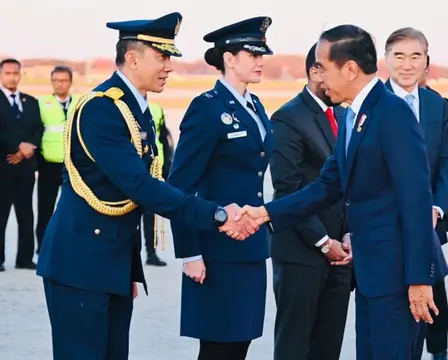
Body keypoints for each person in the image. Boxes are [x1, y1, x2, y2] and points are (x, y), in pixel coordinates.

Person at [35, 12, 257, 360]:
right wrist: (216, 214)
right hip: (81, 264)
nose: (169, 66)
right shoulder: (101, 109)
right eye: (162, 57)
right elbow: (140, 185)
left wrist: (128, 269)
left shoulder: (136, 109)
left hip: (112, 264)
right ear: (133, 58)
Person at [238, 24, 448, 360]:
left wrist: (420, 280)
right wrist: (265, 213)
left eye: (323, 67)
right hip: (370, 273)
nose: (318, 76)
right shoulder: (354, 115)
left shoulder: (392, 113)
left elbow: (417, 200)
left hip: (397, 276)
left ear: (350, 69)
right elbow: (326, 185)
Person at [167, 16, 274, 360]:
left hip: (251, 248)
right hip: (216, 248)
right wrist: (190, 253)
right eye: (252, 54)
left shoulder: (255, 106)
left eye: (262, 55)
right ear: (229, 58)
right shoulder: (207, 108)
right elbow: (180, 186)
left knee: (240, 343)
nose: (260, 61)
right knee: (217, 348)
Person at [269, 43, 351, 360]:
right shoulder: (288, 118)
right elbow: (288, 189)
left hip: (341, 253)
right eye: (340, 69)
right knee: (295, 347)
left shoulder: (346, 115)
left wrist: (347, 235)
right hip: (302, 253)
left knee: (328, 347)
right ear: (316, 72)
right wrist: (322, 241)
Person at [380, 27, 448, 360]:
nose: (407, 64)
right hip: (384, 227)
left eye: (415, 56)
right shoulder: (369, 104)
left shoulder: (437, 106)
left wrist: (436, 208)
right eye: (399, 56)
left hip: (428, 226)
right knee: (391, 317)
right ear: (386, 60)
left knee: (427, 308)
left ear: (427, 61)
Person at [415, 49, 448, 360]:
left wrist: (431, 181)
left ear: (427, 69)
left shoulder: (444, 108)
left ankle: (438, 349)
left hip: (433, 210)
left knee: (433, 280)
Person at [0, 58, 43, 271]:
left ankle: (24, 258)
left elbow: (39, 129)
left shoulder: (30, 101)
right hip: (4, 167)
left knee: (26, 214)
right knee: (1, 214)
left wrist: (28, 148)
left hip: (26, 168)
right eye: (7, 73)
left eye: (15, 73)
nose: (12, 77)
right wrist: (17, 146)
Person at [36, 65, 78, 258]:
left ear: (70, 82)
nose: (60, 83)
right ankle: (42, 248)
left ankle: (70, 247)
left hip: (73, 166)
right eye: (56, 80)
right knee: (45, 208)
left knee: (72, 209)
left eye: (64, 80)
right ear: (52, 82)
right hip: (49, 164)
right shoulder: (41, 103)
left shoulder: (80, 102)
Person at [141, 100, 173, 266]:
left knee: (150, 215)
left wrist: (166, 166)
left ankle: (151, 253)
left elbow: (164, 140)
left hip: (153, 169)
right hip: (132, 171)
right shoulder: (121, 106)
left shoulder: (156, 109)